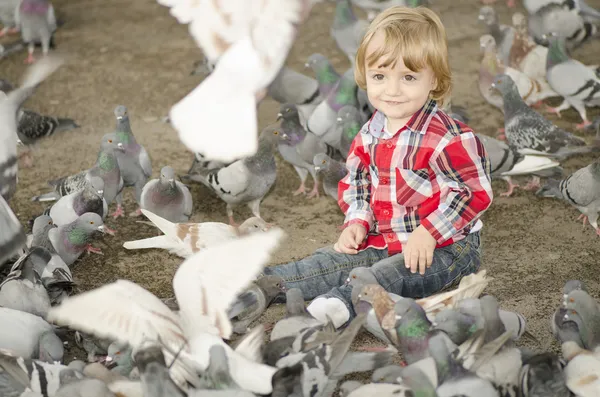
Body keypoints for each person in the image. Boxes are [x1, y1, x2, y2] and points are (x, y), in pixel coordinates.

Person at [262, 6, 493, 328]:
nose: (392, 90)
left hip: (444, 249)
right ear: (364, 77)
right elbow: (357, 180)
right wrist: (357, 220)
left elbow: (471, 193)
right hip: (382, 238)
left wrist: (428, 232)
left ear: (434, 81)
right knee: (326, 262)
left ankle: (339, 306)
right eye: (380, 77)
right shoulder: (370, 131)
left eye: (409, 77)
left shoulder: (449, 138)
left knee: (385, 276)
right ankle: (258, 285)